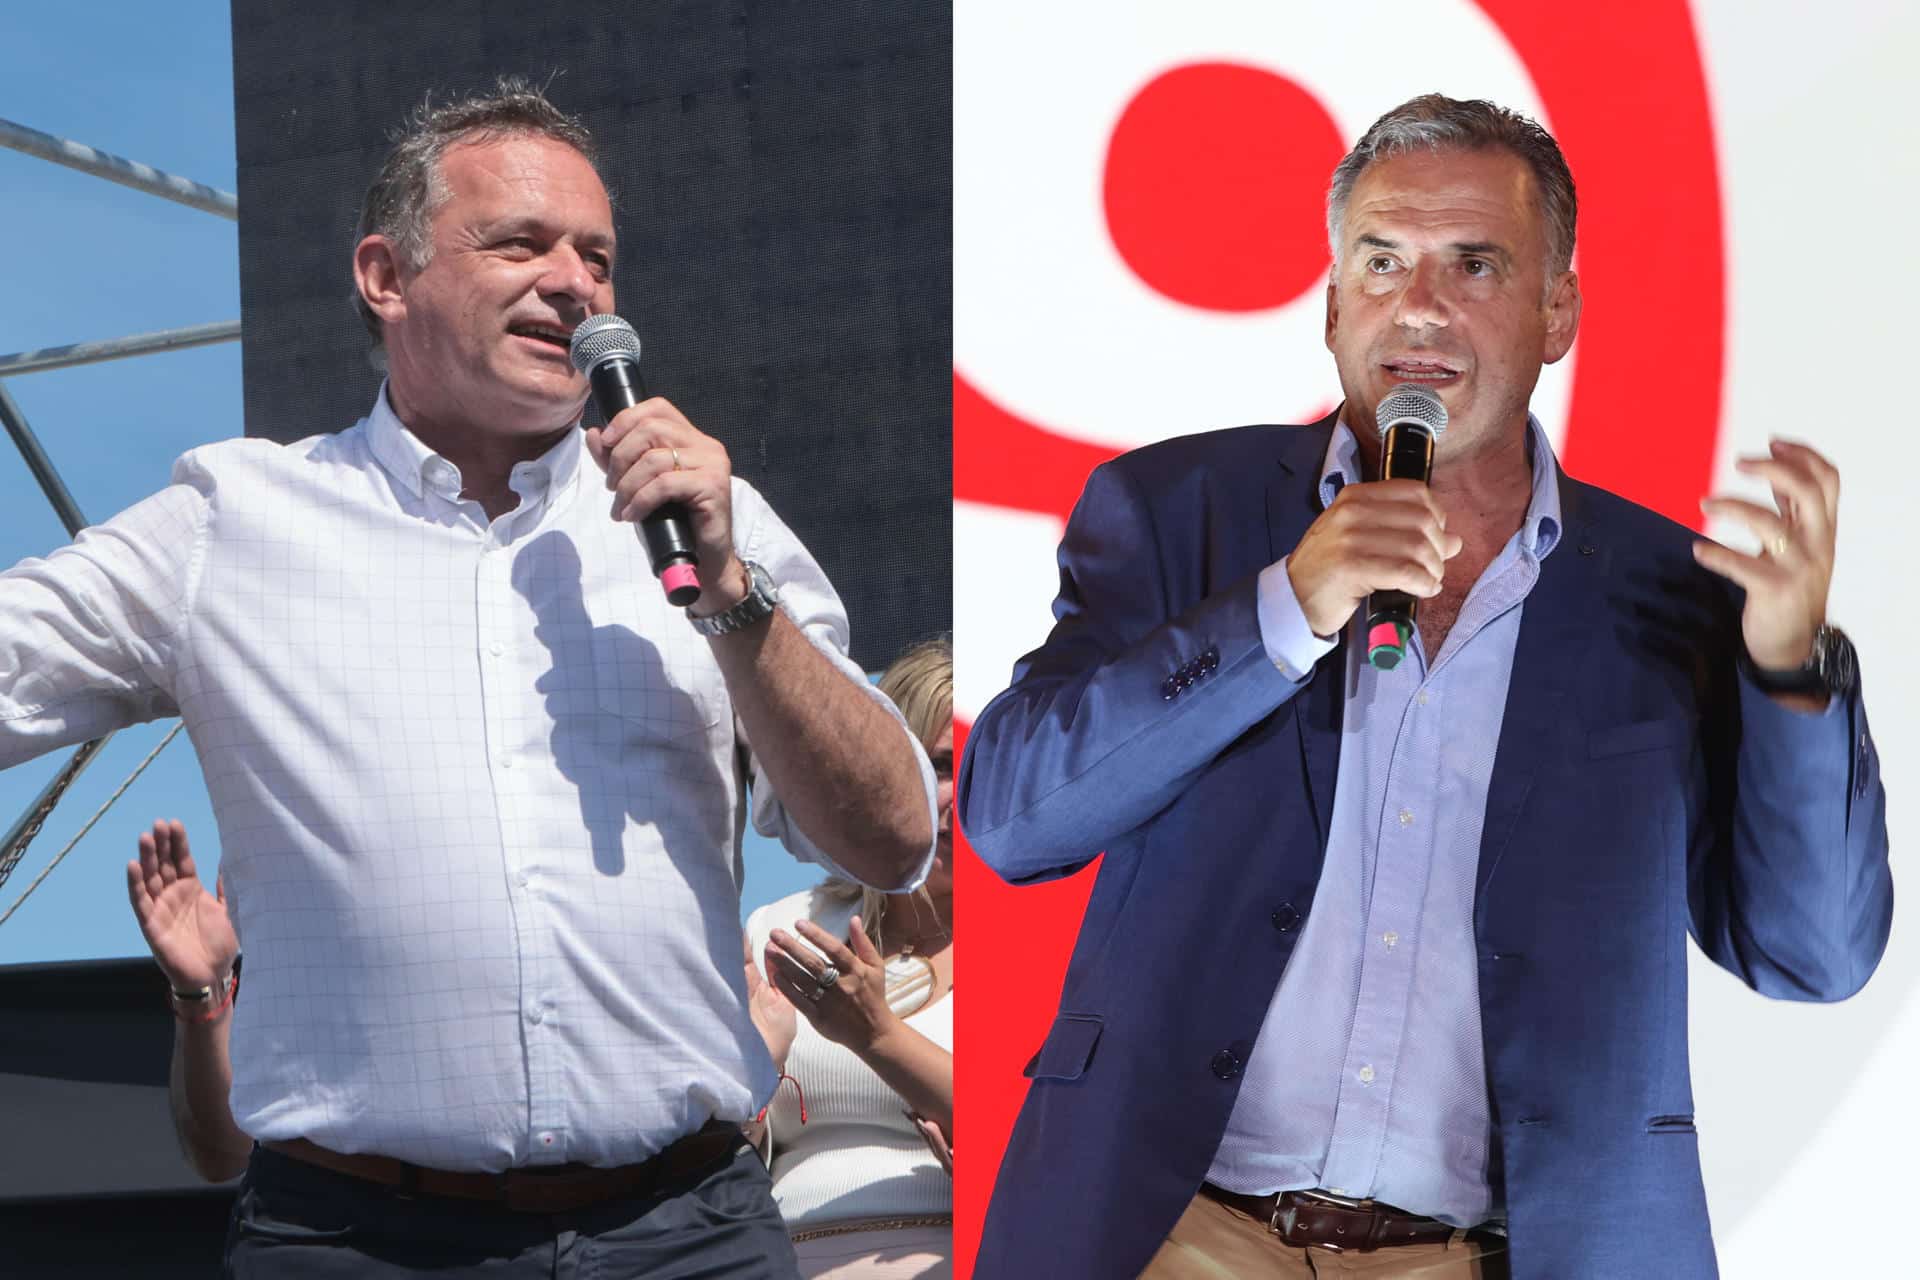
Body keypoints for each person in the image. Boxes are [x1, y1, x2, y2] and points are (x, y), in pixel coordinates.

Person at [7, 76, 936, 1278]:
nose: (575, 282)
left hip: (685, 1230)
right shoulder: (234, 523)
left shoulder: (711, 521)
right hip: (356, 1238)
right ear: (386, 277)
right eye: (521, 242)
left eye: (597, 256)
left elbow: (897, 838)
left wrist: (734, 600)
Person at [956, 94, 1890, 1280]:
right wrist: (1281, 610)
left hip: (1501, 1254)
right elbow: (1013, 818)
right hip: (1172, 1229)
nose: (1421, 307)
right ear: (1333, 302)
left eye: (1476, 265)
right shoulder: (1176, 514)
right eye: (1382, 262)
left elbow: (1813, 952)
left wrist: (1790, 666)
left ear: (1558, 312)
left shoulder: (1671, 598)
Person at [743, 636, 955, 1278]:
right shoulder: (783, 929)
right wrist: (753, 1078)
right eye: (940, 767)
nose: (959, 796)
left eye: (985, 768)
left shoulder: (1044, 947)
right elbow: (725, 1162)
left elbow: (1039, 1133)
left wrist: (875, 1034)